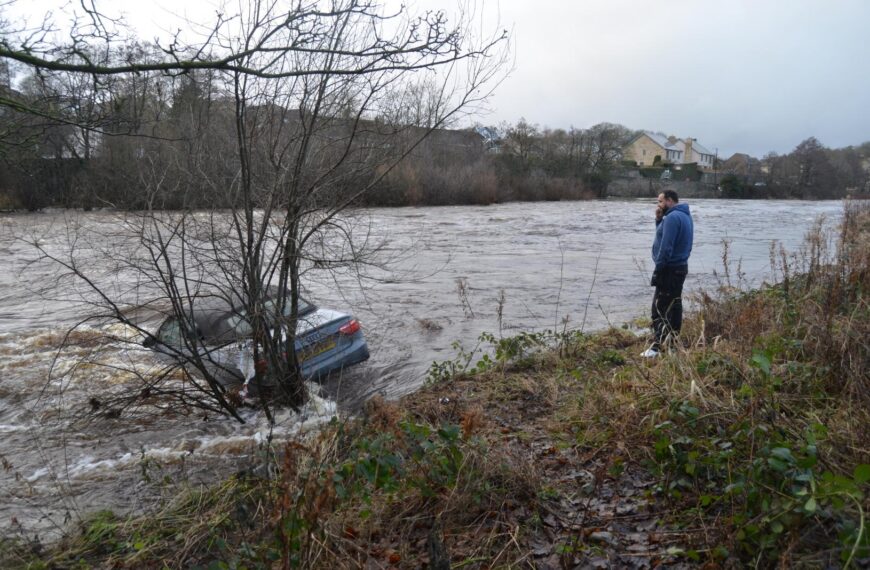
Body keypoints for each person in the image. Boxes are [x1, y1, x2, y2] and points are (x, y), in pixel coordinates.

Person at [642, 189, 694, 358]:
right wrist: (658, 220)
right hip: (680, 267)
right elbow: (666, 236)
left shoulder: (672, 218)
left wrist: (658, 270)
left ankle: (657, 348)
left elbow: (666, 247)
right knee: (674, 307)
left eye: (661, 202)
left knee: (659, 308)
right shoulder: (685, 216)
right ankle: (672, 346)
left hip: (669, 269)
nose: (659, 205)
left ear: (670, 201)